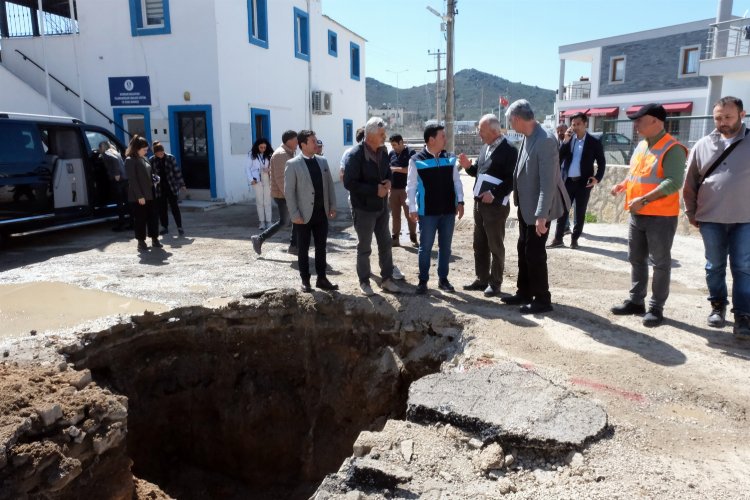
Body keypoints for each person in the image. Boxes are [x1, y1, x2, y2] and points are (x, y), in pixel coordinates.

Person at [610, 103, 687, 327]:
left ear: (656, 121)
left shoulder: (672, 148)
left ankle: (656, 308)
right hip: (638, 214)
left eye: (640, 120)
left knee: (660, 262)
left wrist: (643, 199)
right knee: (636, 258)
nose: (635, 125)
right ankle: (636, 301)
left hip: (660, 217)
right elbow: (637, 175)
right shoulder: (642, 145)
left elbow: (674, 182)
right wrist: (622, 185)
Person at [683, 96, 750, 337]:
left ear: (742, 115)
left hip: (746, 219)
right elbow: (689, 182)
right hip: (710, 217)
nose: (722, 122)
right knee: (714, 266)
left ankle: (743, 315)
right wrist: (690, 211)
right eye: (718, 118)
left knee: (743, 267)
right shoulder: (703, 144)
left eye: (728, 117)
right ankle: (718, 306)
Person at [501, 99, 569, 314]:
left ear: (518, 119)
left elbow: (548, 183)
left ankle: (542, 298)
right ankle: (524, 291)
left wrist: (541, 215)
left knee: (535, 253)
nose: (510, 125)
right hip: (526, 207)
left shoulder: (545, 140)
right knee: (524, 248)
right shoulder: (528, 137)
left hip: (540, 209)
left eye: (511, 121)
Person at [457, 114, 518, 297]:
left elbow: (512, 180)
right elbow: (479, 172)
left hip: (496, 207)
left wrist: (494, 194)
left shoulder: (510, 150)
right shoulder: (485, 147)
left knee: (495, 245)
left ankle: (495, 282)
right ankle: (482, 279)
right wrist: (468, 167)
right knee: (479, 244)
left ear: (493, 130)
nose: (478, 134)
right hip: (479, 205)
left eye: (481, 130)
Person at [344, 117, 402, 296]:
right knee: (365, 246)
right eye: (382, 134)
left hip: (382, 207)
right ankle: (364, 281)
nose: (385, 137)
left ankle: (387, 279)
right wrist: (374, 189)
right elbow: (349, 183)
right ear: (370, 136)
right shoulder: (355, 155)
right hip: (363, 208)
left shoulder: (383, 152)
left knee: (385, 243)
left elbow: (388, 173)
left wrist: (389, 183)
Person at [407, 124, 464, 295]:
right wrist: (412, 207)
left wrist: (460, 202)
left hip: (448, 211)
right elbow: (411, 186)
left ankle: (443, 279)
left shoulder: (450, 158)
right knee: (425, 247)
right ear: (431, 140)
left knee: (445, 247)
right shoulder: (416, 160)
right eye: (442, 137)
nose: (445, 139)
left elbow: (457, 182)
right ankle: (423, 280)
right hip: (427, 212)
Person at [285, 130, 338, 292]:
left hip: (321, 213)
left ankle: (322, 278)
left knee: (321, 247)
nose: (316, 144)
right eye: (313, 141)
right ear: (303, 144)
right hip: (303, 216)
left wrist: (332, 206)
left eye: (316, 141)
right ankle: (305, 280)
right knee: (303, 248)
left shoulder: (322, 162)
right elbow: (289, 192)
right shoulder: (293, 164)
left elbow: (329, 185)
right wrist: (294, 215)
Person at [548, 112, 606, 249]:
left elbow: (602, 163)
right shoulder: (569, 140)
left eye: (578, 124)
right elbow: (559, 158)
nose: (575, 127)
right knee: (562, 210)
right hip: (568, 181)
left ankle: (574, 239)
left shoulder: (593, 142)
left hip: (583, 183)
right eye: (573, 124)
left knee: (580, 212)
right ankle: (558, 238)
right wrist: (565, 141)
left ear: (585, 124)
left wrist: (597, 178)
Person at [251, 130, 299, 255]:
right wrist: (290, 196)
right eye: (296, 140)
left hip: (286, 194)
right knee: (285, 221)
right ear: (289, 141)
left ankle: (294, 246)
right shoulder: (281, 155)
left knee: (293, 219)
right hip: (282, 194)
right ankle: (259, 239)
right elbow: (280, 178)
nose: (298, 143)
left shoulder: (288, 153)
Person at [124, 135, 162, 252]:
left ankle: (155, 238)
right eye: (144, 150)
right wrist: (139, 196)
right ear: (136, 148)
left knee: (153, 217)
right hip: (138, 196)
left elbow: (149, 173)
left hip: (150, 192)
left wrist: (155, 178)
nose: (146, 152)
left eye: (146, 150)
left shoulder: (144, 158)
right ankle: (141, 242)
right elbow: (132, 180)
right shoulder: (130, 160)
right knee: (140, 219)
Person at [149, 141, 186, 236]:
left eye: (161, 152)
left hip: (171, 186)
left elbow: (176, 171)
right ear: (155, 153)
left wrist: (182, 185)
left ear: (163, 151)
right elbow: (151, 174)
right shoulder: (152, 160)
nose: (160, 155)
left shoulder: (170, 158)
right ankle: (164, 227)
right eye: (158, 153)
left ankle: (179, 227)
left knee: (175, 207)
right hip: (159, 188)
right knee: (162, 209)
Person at [388, 134, 418, 248]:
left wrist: (395, 169)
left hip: (406, 190)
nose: (393, 147)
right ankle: (395, 238)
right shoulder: (391, 154)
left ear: (401, 142)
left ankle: (413, 236)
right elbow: (387, 169)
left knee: (410, 215)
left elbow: (410, 170)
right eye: (392, 145)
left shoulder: (411, 153)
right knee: (395, 216)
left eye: (395, 145)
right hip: (394, 190)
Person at [99, 141, 130, 231]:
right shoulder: (115, 151)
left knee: (119, 204)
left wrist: (116, 175)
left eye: (100, 147)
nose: (99, 149)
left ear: (103, 147)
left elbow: (114, 161)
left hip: (118, 181)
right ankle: (132, 223)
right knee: (127, 202)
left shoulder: (106, 153)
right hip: (125, 179)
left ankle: (121, 224)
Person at [246, 137, 273, 230]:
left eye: (264, 147)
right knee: (259, 202)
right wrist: (251, 179)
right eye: (261, 147)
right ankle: (262, 222)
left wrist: (269, 169)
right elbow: (247, 168)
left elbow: (274, 167)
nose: (263, 149)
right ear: (257, 147)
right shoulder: (251, 155)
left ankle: (269, 222)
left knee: (267, 201)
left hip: (267, 179)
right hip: (256, 180)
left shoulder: (269, 154)